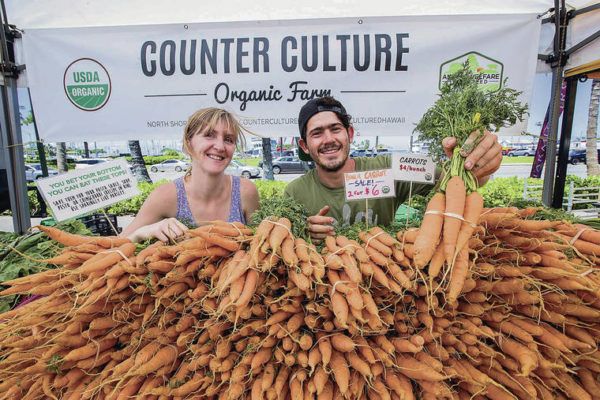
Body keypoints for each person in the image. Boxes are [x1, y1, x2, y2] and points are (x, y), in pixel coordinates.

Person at [284, 96, 502, 243]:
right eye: (317, 133)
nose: (329, 139)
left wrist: (475, 165)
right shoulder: (294, 193)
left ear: (350, 134)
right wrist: (303, 232)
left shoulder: (390, 167)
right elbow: (286, 244)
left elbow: (455, 180)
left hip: (385, 278)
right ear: (304, 145)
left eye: (335, 129)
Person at [122, 107, 259, 243]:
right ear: (189, 143)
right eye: (209, 135)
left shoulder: (245, 192)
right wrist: (142, 233)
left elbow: (259, 245)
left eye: (228, 139)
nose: (220, 146)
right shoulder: (166, 196)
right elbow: (114, 248)